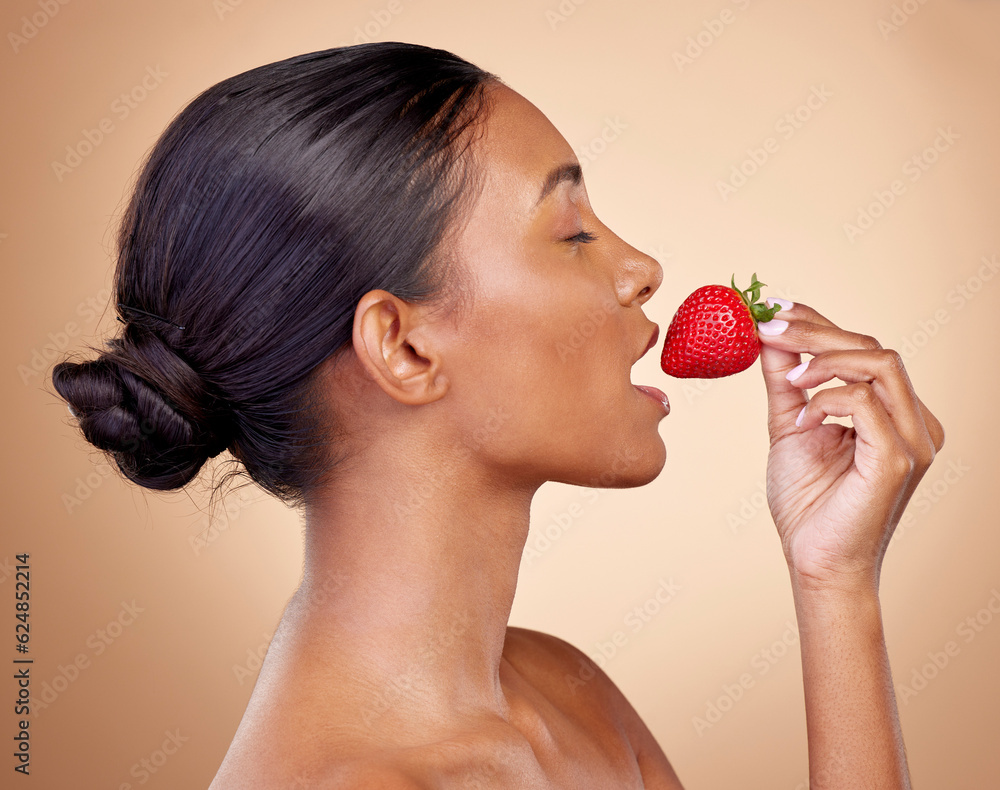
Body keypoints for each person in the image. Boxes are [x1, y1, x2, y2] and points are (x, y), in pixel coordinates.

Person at [51, 42, 943, 788]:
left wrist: (835, 584)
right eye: (571, 234)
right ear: (403, 348)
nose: (643, 269)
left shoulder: (569, 697)